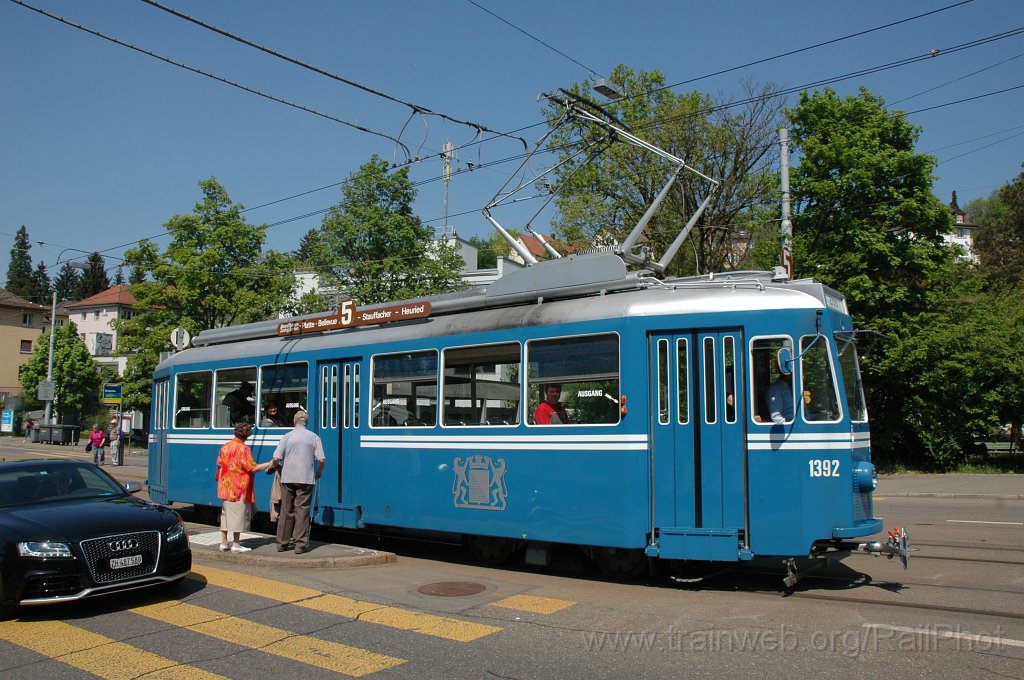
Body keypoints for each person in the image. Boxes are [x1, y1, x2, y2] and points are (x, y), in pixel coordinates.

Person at [270, 411, 325, 554]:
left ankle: (281, 543)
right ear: (306, 422)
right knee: (302, 510)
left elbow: (276, 457)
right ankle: (300, 544)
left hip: (287, 478)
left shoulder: (287, 436)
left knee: (286, 510)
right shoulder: (314, 437)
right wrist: (319, 472)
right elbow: (321, 460)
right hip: (306, 479)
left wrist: (276, 466)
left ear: (294, 422)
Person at [215, 422, 273, 553]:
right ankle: (236, 544)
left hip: (225, 486)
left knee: (225, 515)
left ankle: (224, 542)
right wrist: (268, 463)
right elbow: (252, 468)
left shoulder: (225, 447)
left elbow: (219, 464)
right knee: (238, 516)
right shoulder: (243, 449)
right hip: (239, 488)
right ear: (247, 435)